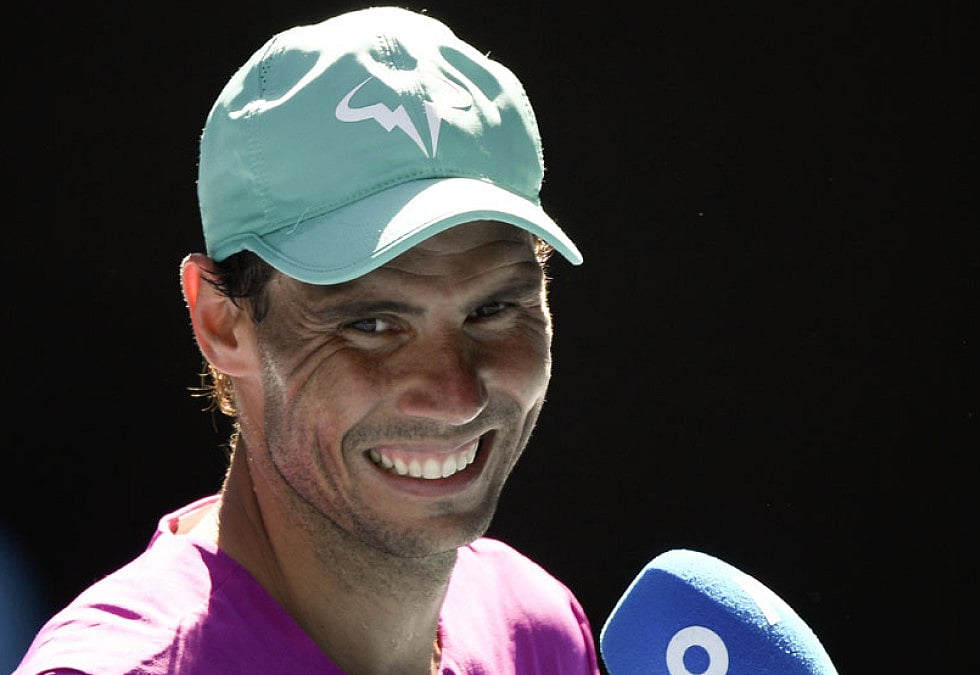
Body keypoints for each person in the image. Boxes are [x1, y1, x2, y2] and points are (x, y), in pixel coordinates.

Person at [16, 6, 599, 674]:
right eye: (372, 325)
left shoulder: (535, 626)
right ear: (221, 322)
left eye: (493, 308)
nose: (455, 393)